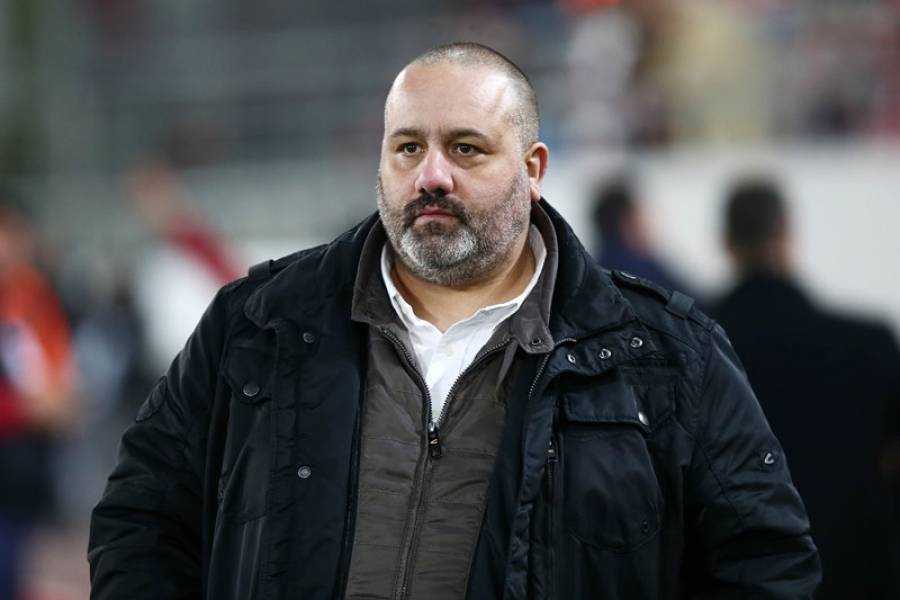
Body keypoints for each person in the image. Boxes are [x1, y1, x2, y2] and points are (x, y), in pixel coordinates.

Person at [88, 43, 820, 599]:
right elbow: (140, 516)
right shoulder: (257, 324)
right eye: (408, 147)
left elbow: (766, 563)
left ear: (533, 170)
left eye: (465, 148)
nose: (431, 175)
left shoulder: (663, 356)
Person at [713, 177, 900, 599]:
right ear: (786, 234)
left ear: (726, 242)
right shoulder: (869, 346)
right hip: (855, 574)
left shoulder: (686, 350)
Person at [591, 172, 696, 297]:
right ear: (626, 224)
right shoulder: (640, 271)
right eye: (639, 219)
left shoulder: (596, 271)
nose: (647, 226)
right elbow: (691, 302)